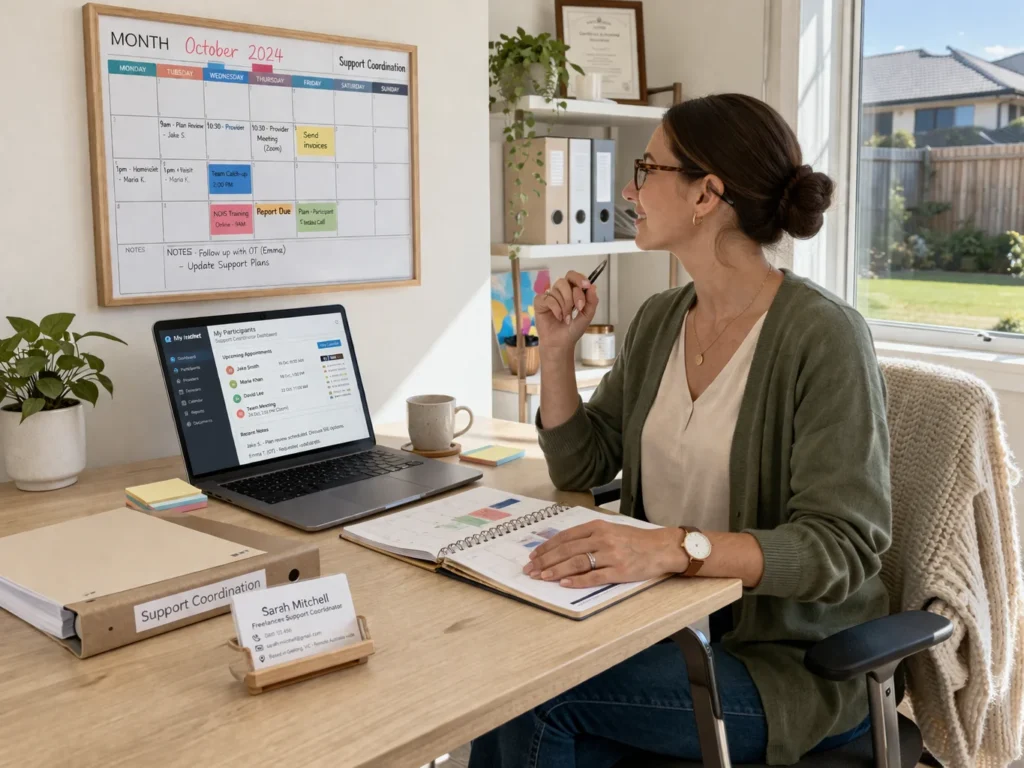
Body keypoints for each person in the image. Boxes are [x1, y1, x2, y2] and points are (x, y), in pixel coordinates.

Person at [469, 93, 892, 767]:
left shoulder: (824, 336)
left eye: (648, 168)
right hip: (656, 629)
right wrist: (555, 354)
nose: (630, 190)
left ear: (707, 194)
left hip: (778, 669)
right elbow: (583, 467)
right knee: (511, 667)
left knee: (538, 696)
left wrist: (675, 549)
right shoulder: (661, 320)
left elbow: (840, 549)